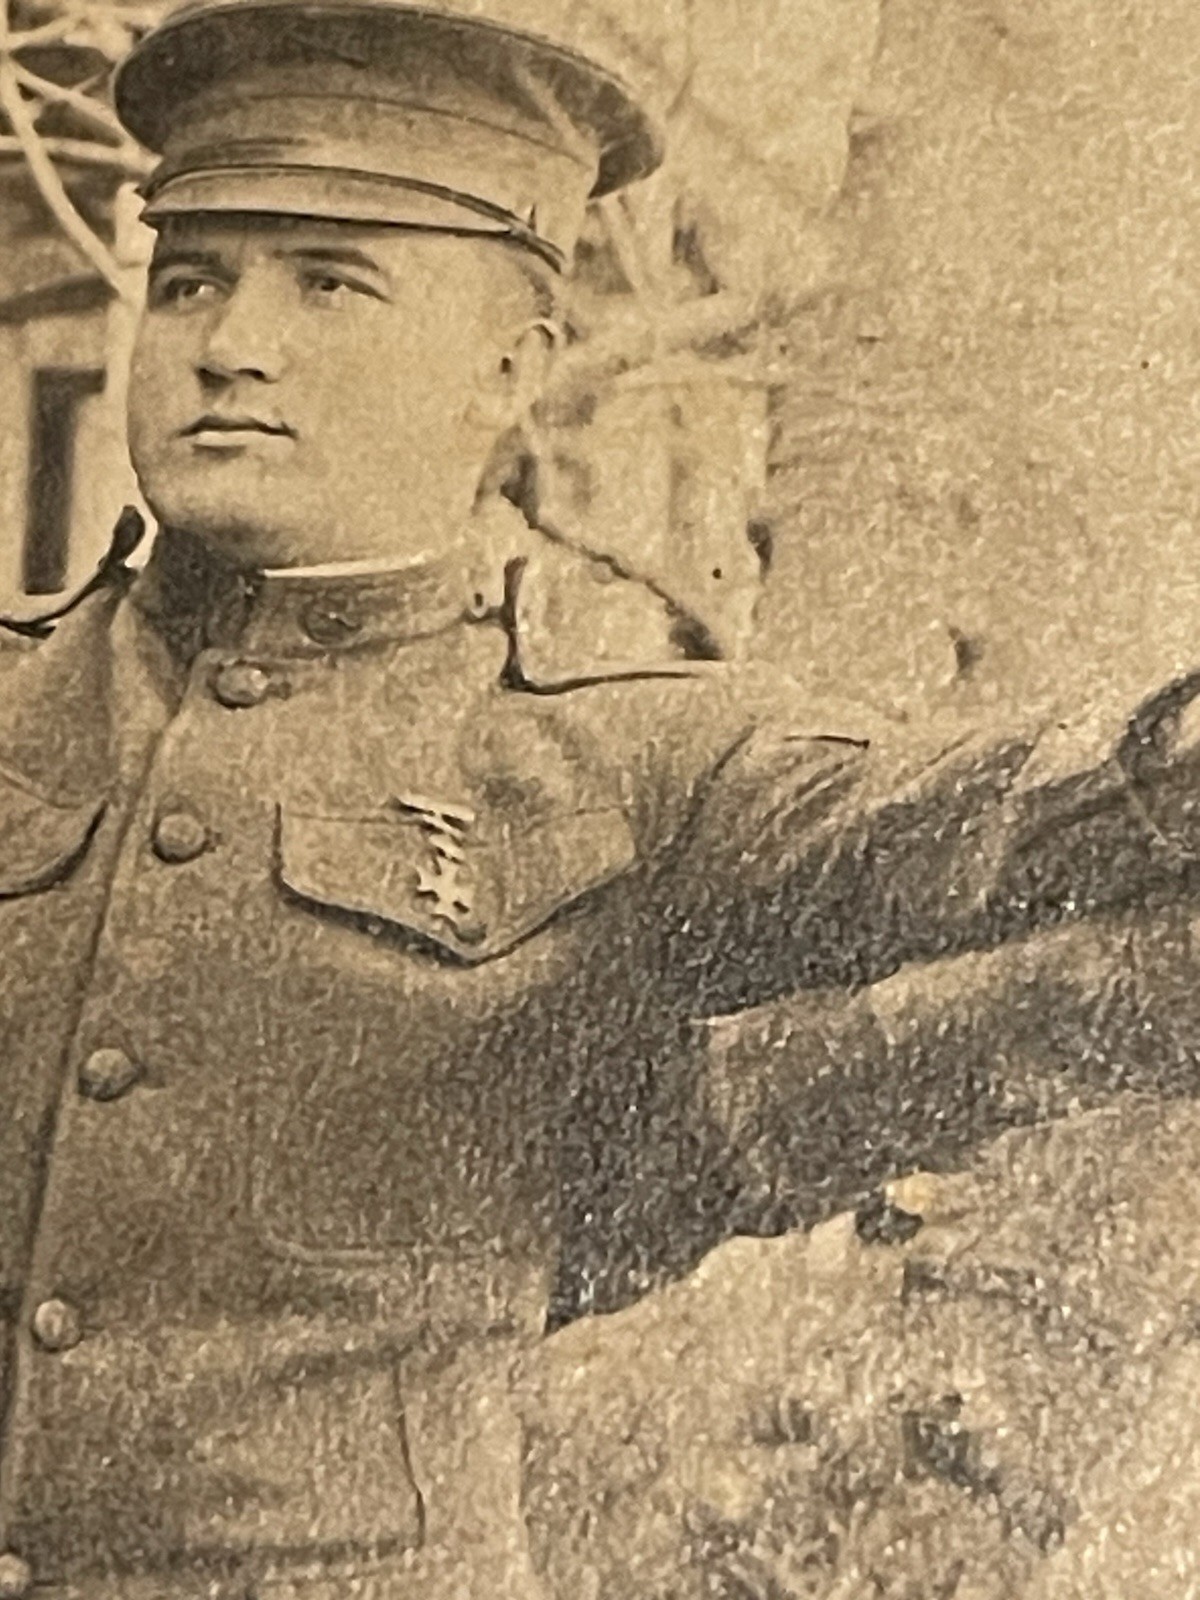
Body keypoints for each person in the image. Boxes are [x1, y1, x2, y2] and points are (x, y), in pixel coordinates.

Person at [0, 2, 1198, 1595]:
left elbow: (976, 816)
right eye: (192, 279)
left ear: (509, 367)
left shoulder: (630, 754)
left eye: (331, 284)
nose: (230, 343)